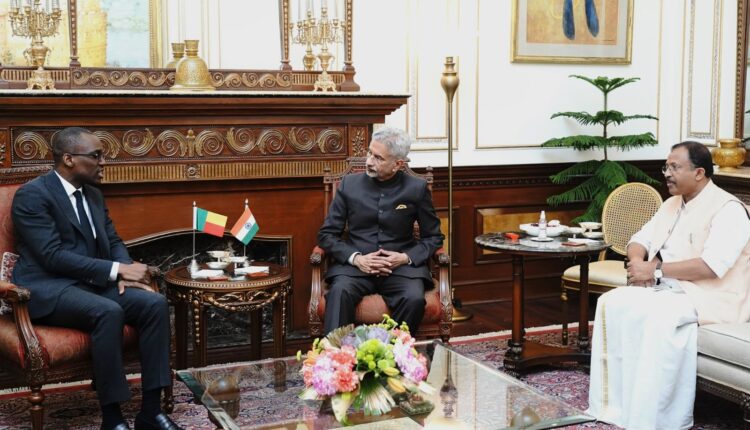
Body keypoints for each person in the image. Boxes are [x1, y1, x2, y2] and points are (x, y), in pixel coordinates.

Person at [11, 127, 181, 430]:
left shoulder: (93, 194)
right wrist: (115, 271)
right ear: (69, 159)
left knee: (154, 304)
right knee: (108, 311)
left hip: (90, 284)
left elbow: (112, 240)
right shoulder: (33, 195)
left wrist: (124, 268)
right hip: (49, 286)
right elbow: (51, 256)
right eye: (96, 156)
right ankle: (112, 419)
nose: (103, 162)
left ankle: (151, 413)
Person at [587, 141, 750, 430]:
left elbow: (711, 266)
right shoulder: (672, 203)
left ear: (699, 173)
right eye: (666, 167)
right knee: (611, 301)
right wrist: (638, 264)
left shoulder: (729, 209)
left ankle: (656, 417)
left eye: (675, 167)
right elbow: (639, 239)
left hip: (713, 296)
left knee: (656, 315)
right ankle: (614, 406)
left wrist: (655, 270)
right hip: (672, 287)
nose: (667, 173)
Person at [318, 127, 443, 334]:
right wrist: (357, 259)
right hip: (356, 268)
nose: (369, 161)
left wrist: (404, 258)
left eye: (378, 158)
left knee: (413, 298)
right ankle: (336, 353)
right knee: (339, 292)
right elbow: (327, 235)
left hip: (400, 270)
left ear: (398, 164)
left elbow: (434, 237)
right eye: (369, 153)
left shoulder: (416, 188)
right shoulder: (349, 185)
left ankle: (392, 352)